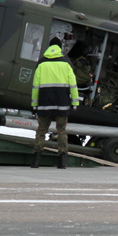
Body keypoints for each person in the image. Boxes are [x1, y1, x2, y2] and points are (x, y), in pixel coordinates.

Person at [31, 39, 79, 169]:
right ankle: (62, 161)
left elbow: (35, 86)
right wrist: (75, 103)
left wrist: (34, 104)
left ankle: (36, 160)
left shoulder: (41, 63)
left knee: (41, 130)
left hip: (44, 104)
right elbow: (73, 85)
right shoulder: (66, 63)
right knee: (61, 131)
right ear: (60, 47)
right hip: (62, 104)